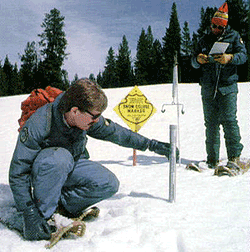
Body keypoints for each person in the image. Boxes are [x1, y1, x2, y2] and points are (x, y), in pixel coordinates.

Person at [9, 78, 176, 241]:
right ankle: (43, 215)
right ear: (75, 111)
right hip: (46, 171)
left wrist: (151, 145)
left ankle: (60, 206)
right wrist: (28, 212)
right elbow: (18, 172)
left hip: (69, 165)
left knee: (108, 183)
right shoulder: (40, 123)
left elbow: (116, 133)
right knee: (60, 158)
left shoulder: (86, 118)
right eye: (95, 116)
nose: (97, 120)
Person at [191, 2, 247, 170]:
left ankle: (235, 157)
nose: (216, 29)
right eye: (214, 26)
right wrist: (198, 60)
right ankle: (212, 159)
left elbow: (243, 56)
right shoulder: (204, 40)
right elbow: (193, 62)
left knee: (229, 121)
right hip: (208, 87)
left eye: (219, 27)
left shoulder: (234, 36)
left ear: (225, 26)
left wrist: (229, 58)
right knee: (211, 124)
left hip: (227, 86)